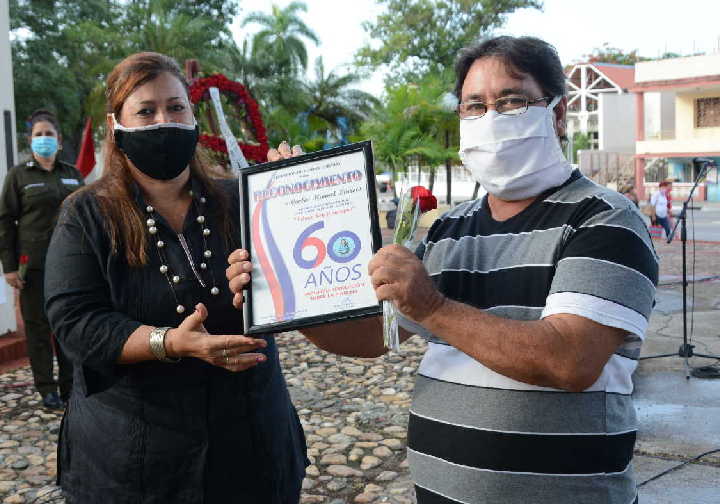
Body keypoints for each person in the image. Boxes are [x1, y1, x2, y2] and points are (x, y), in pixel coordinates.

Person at [229, 36, 658, 504]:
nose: (490, 118)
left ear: (557, 114)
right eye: (474, 106)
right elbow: (376, 336)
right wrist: (286, 290)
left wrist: (432, 306)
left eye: (511, 101)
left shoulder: (604, 217)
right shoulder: (450, 228)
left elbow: (570, 360)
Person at [44, 52, 307, 503]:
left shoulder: (244, 199)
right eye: (145, 111)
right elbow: (73, 322)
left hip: (251, 448)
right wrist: (170, 342)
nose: (164, 120)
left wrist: (302, 194)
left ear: (192, 115)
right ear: (116, 126)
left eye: (176, 107)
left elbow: (305, 280)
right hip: (135, 464)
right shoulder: (86, 215)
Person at [0, 109, 81, 410]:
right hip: (31, 265)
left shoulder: (72, 174)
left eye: (49, 135)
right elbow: (5, 221)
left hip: (71, 265)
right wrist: (9, 267)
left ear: (59, 141)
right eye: (38, 135)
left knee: (68, 325)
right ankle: (46, 387)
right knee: (37, 328)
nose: (44, 139)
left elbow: (87, 215)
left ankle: (71, 385)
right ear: (31, 140)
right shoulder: (19, 175)